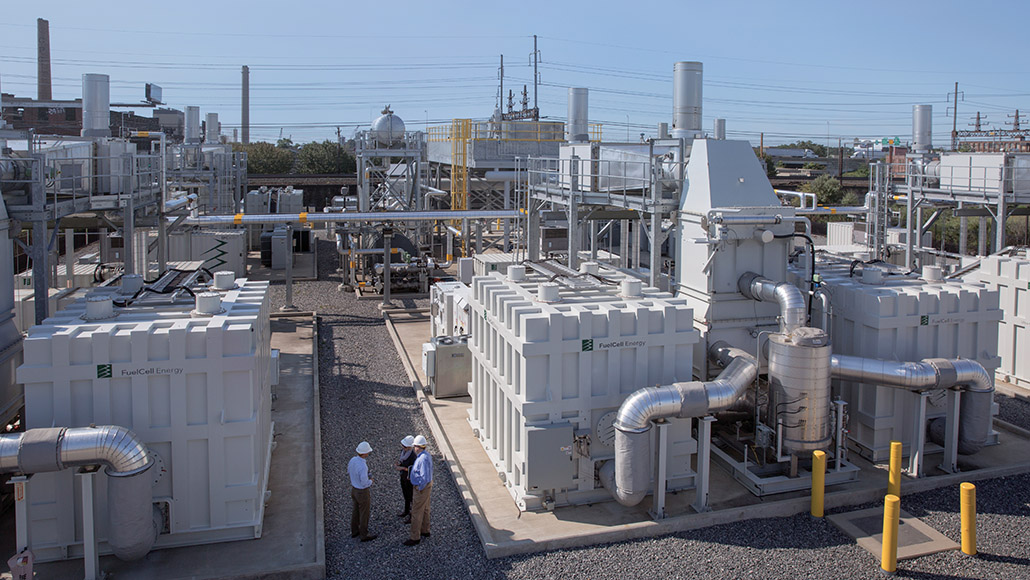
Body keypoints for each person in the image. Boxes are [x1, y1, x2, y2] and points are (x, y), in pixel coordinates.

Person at [403, 435, 433, 546]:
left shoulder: (422, 459)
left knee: (416, 511)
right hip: (426, 486)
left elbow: (423, 477)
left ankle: (415, 537)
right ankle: (425, 530)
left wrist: (419, 488)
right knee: (425, 508)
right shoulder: (426, 456)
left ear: (417, 447)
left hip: (421, 488)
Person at [347, 441, 377, 542]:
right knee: (364, 513)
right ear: (364, 453)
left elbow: (348, 471)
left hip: (354, 490)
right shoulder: (363, 466)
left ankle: (354, 530)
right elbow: (364, 482)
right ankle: (364, 534)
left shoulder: (353, 460)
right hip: (362, 492)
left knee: (355, 511)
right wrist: (371, 481)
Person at [395, 435, 416, 523]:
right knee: (405, 494)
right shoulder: (403, 452)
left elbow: (414, 468)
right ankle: (406, 511)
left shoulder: (413, 456)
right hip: (403, 476)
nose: (403, 448)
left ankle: (412, 515)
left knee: (411, 496)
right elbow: (402, 460)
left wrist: (403, 468)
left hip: (409, 478)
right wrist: (399, 463)